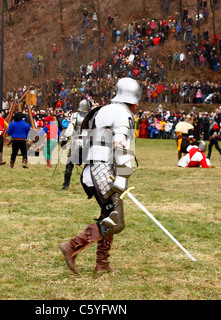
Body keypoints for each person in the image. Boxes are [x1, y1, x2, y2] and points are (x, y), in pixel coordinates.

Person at [59, 77, 141, 274]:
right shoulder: (123, 113)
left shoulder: (103, 110)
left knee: (108, 216)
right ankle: (72, 246)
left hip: (93, 169)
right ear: (134, 99)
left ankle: (102, 264)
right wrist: (121, 180)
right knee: (115, 221)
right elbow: (120, 147)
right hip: (103, 171)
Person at [61, 99, 89, 190]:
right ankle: (89, 185)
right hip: (87, 143)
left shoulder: (75, 115)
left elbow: (70, 127)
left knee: (69, 164)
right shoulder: (91, 116)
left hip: (76, 142)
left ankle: (66, 185)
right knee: (89, 165)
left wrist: (65, 138)